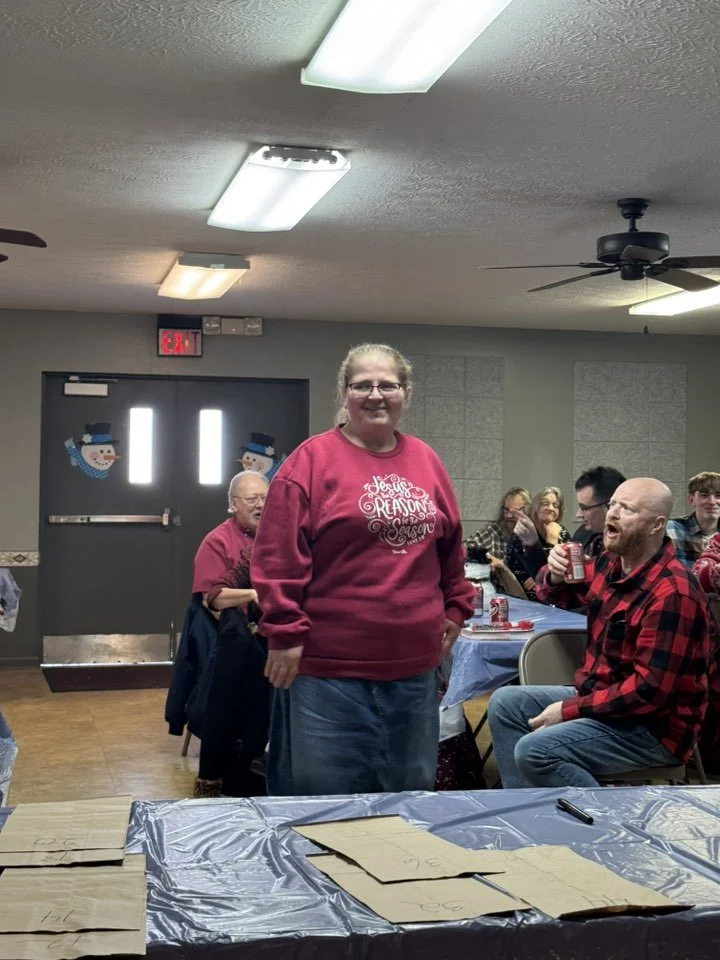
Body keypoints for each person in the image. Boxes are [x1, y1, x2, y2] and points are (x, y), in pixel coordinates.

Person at [251, 342, 474, 796]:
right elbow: (277, 557)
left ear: (406, 393)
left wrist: (456, 606)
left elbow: (450, 545)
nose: (376, 395)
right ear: (344, 393)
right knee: (328, 803)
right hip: (329, 672)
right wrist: (285, 632)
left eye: (388, 385)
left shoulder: (426, 460)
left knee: (408, 796)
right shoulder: (310, 462)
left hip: (414, 668)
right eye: (362, 385)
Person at [487, 478, 710, 788]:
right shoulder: (611, 563)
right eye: (613, 504)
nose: (612, 514)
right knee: (505, 703)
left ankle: (600, 818)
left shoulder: (674, 593)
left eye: (627, 509)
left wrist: (568, 710)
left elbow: (648, 692)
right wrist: (554, 573)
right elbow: (554, 595)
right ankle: (528, 810)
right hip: (604, 700)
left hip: (653, 729)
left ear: (656, 525)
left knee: (535, 752)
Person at [192, 471, 269, 610]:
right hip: (237, 621)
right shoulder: (217, 541)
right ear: (234, 504)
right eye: (252, 499)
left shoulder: (280, 535)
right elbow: (209, 599)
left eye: (265, 498)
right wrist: (253, 595)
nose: (261, 505)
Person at [505, 486, 571, 600]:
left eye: (556, 505)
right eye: (545, 503)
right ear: (536, 507)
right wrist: (533, 577)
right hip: (526, 592)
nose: (551, 508)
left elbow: (567, 566)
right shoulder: (525, 531)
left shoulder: (562, 532)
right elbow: (511, 566)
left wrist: (552, 540)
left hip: (556, 590)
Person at [464, 487, 531, 566]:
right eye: (506, 510)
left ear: (527, 511)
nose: (509, 516)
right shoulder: (494, 531)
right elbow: (464, 548)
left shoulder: (534, 537)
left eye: (514, 511)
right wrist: (486, 558)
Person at [667, 472, 720, 569]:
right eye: (704, 495)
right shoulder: (671, 529)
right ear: (691, 500)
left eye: (718, 496)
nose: (712, 502)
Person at [572, 466, 626, 558]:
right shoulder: (581, 534)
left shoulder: (631, 545)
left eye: (584, 508)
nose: (578, 515)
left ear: (610, 506)